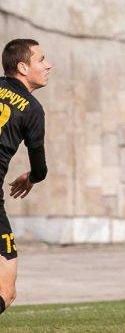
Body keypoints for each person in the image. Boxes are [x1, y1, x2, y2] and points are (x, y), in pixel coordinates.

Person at [0, 39, 50, 317]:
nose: (48, 65)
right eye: (41, 59)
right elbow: (40, 169)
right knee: (6, 291)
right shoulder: (32, 109)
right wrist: (32, 177)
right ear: (22, 67)